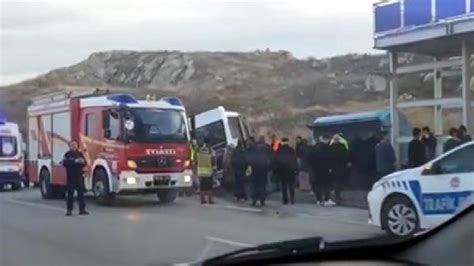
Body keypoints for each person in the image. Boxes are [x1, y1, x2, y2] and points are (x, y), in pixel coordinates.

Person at [62, 141, 88, 216]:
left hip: (79, 177)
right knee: (70, 194)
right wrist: (74, 161)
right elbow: (65, 163)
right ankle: (69, 210)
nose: (74, 146)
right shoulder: (67, 154)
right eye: (72, 145)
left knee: (81, 194)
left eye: (75, 145)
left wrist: (82, 162)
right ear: (69, 146)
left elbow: (84, 162)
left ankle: (82, 209)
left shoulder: (80, 154)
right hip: (70, 177)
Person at [308, 135, 332, 205]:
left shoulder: (315, 147)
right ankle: (326, 200)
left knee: (318, 185)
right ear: (326, 139)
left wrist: (313, 166)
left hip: (316, 169)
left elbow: (309, 158)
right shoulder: (327, 148)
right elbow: (329, 159)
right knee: (326, 185)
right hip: (326, 169)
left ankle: (319, 200)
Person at [274, 138, 298, 205]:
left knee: (284, 186)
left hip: (282, 170)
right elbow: (295, 160)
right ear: (288, 142)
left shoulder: (279, 150)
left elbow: (276, 160)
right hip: (291, 170)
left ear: (282, 142)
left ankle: (285, 200)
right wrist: (296, 169)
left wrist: (276, 170)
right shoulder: (291, 150)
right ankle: (292, 199)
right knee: (291, 185)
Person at [248, 138, 271, 206]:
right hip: (263, 171)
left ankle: (254, 200)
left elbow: (251, 160)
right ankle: (262, 200)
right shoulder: (266, 150)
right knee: (262, 187)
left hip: (256, 171)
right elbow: (268, 160)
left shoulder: (254, 150)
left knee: (255, 187)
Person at [330, 134, 350, 204]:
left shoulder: (331, 147)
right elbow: (346, 155)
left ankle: (337, 195)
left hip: (335, 167)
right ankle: (338, 195)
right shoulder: (342, 146)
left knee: (336, 181)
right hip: (341, 166)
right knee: (338, 181)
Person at [197, 138, 216, 204]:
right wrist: (214, 168)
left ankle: (202, 200)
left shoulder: (199, 149)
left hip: (200, 170)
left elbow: (197, 159)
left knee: (202, 186)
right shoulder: (210, 149)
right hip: (208, 171)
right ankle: (210, 200)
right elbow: (213, 160)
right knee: (209, 186)